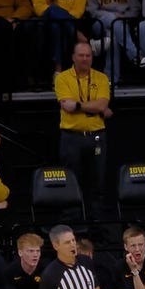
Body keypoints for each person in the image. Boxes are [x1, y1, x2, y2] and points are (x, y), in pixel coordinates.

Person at [55, 42, 112, 220]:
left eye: (88, 56)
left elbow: (102, 104)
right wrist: (94, 108)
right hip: (71, 138)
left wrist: (79, 105)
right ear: (73, 57)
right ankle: (73, 225)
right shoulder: (62, 78)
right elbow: (67, 106)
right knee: (71, 181)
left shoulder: (101, 78)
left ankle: (97, 223)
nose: (85, 59)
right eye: (81, 55)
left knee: (97, 182)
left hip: (96, 137)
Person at [86, 0, 145, 85]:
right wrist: (112, 16)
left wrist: (123, 16)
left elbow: (135, 9)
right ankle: (135, 55)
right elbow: (92, 11)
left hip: (122, 23)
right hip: (100, 23)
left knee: (113, 37)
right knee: (114, 22)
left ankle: (110, 79)